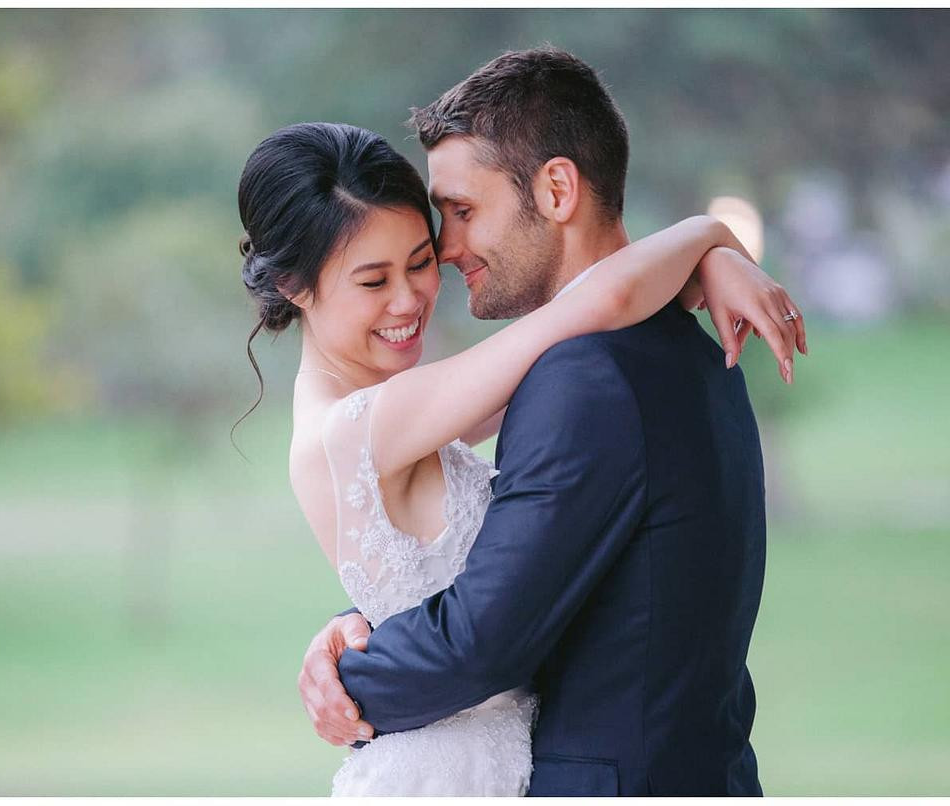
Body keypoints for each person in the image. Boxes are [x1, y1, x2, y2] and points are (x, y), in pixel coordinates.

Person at [291, 48, 805, 796]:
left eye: (463, 211)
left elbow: (483, 643)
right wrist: (366, 617)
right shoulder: (682, 348)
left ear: (557, 189)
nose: (448, 249)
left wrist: (346, 676)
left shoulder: (585, 378)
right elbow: (553, 566)